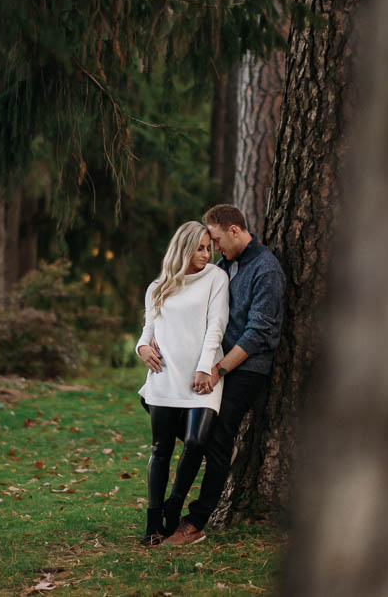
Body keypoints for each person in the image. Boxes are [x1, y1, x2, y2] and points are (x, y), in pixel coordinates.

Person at [161, 204, 285, 546]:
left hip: (245, 368)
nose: (213, 248)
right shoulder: (222, 267)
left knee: (216, 435)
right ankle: (171, 507)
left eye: (215, 240)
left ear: (234, 230)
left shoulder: (266, 269)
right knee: (188, 429)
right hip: (214, 365)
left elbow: (259, 332)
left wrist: (219, 369)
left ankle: (195, 522)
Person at [135, 221, 230, 546]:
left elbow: (216, 325)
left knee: (195, 442)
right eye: (199, 248)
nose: (206, 254)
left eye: (208, 247)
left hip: (202, 378)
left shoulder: (216, 277)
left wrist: (205, 368)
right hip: (165, 375)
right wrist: (142, 348)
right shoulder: (158, 286)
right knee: (160, 449)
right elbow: (149, 330)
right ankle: (153, 523)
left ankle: (174, 507)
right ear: (183, 249)